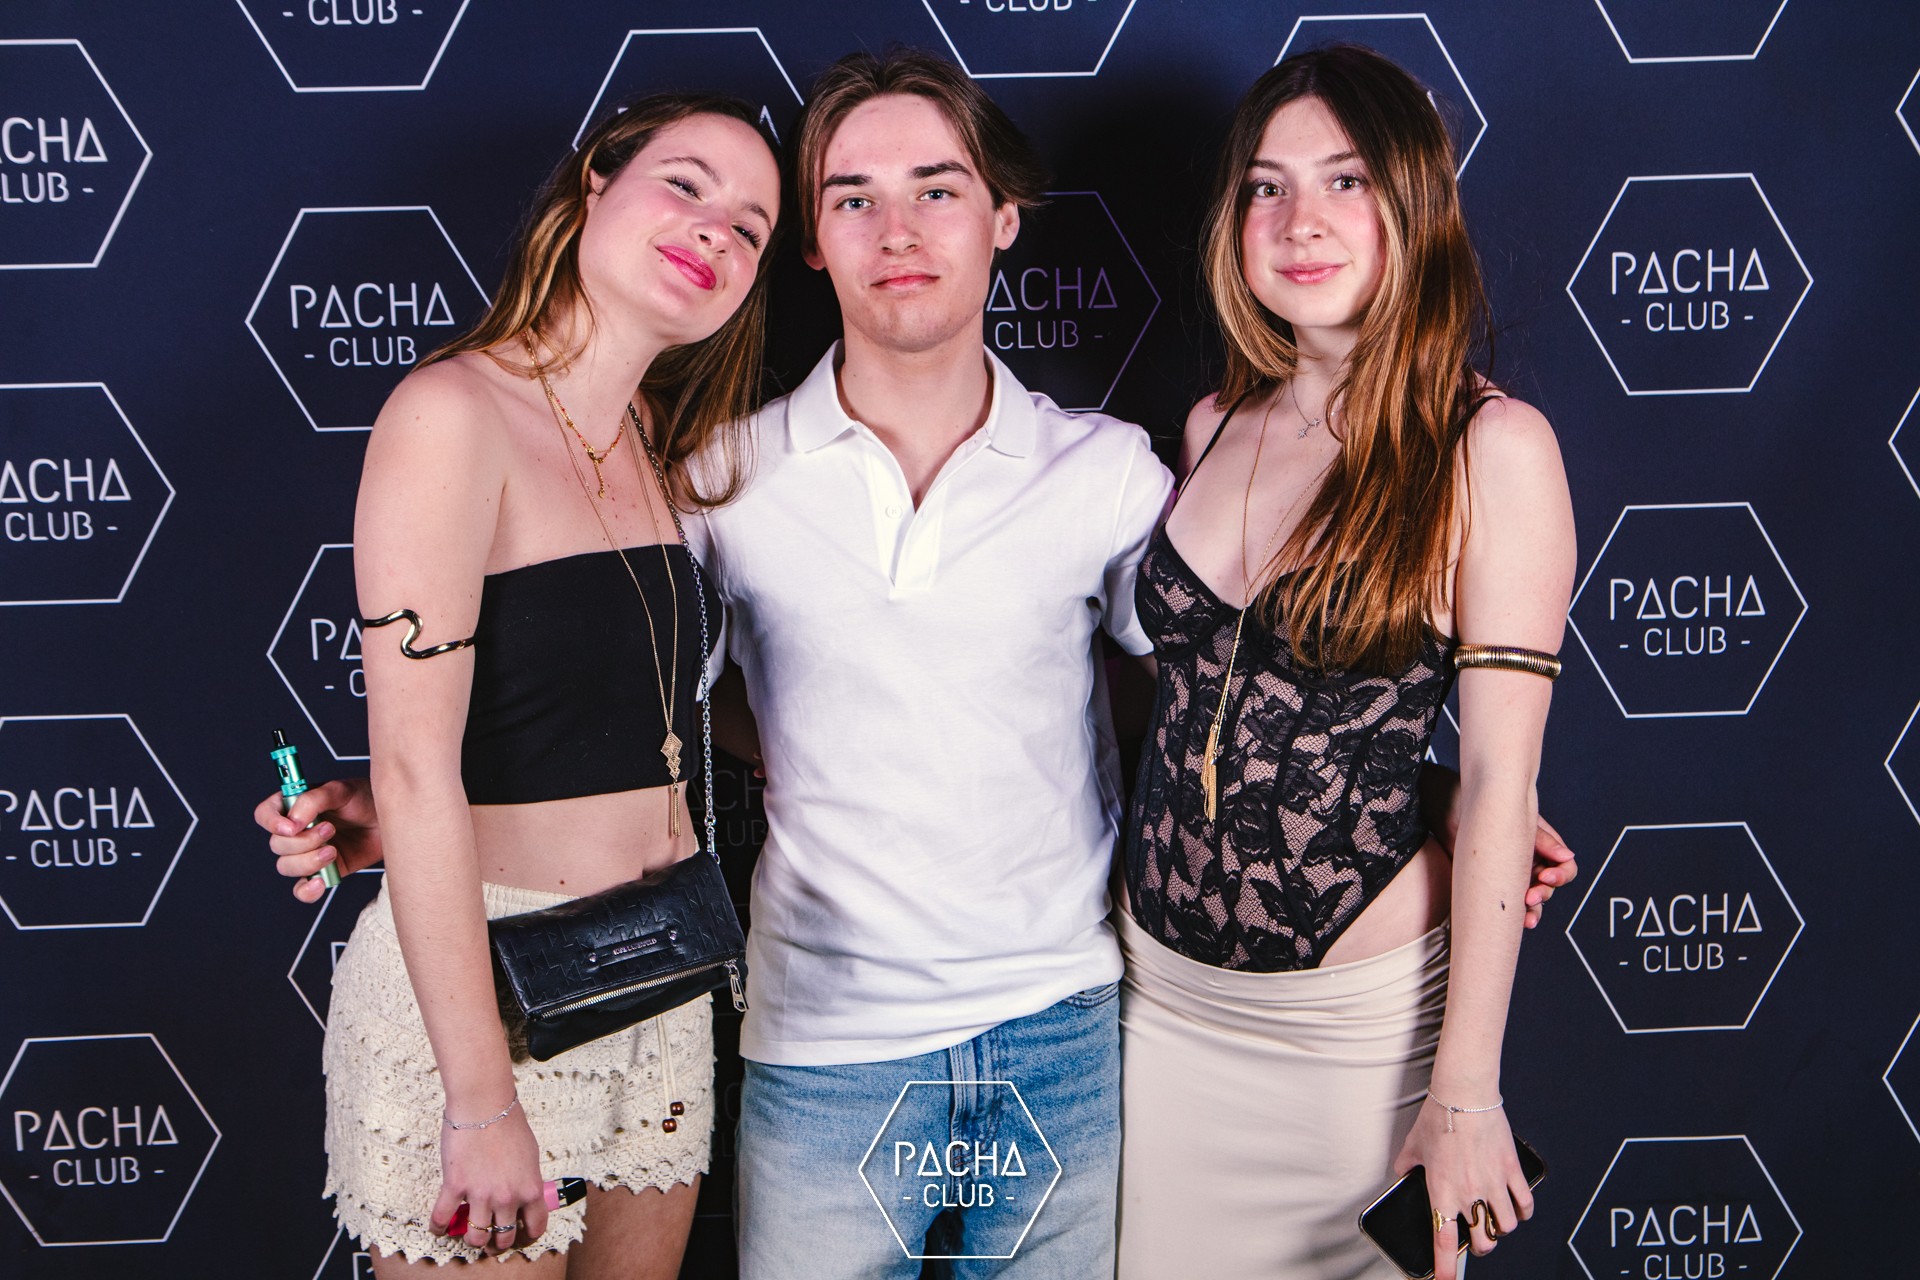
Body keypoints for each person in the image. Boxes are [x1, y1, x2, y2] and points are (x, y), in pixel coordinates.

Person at [261, 48, 1578, 1279]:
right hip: (820, 1048)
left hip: (1069, 1029)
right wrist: (404, 808)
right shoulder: (718, 480)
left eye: (937, 191)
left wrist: (1442, 796)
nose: (898, 231)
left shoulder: (1113, 472)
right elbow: (616, 692)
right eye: (852, 199)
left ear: (1002, 218)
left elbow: (1222, 678)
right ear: (813, 247)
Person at [1113, 46, 1576, 1280]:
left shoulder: (1490, 448)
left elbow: (1504, 781)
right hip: (1158, 1002)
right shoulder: (1215, 421)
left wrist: (1464, 1095)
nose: (1299, 220)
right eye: (1266, 186)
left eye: (1346, 180)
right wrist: (1420, 785)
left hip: (1349, 1042)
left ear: (1414, 203)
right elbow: (1216, 691)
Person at [314, 92, 778, 1276]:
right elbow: (412, 760)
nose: (715, 230)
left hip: (658, 980)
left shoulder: (654, 443)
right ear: (594, 187)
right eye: (685, 183)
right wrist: (479, 1102)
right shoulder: (453, 412)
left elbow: (576, 717)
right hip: (488, 1004)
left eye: (751, 226)